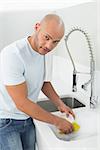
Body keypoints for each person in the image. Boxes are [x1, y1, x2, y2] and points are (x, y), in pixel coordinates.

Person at [0, 14, 75, 150]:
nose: (49, 46)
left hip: (28, 119)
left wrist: (60, 104)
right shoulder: (13, 54)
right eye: (47, 38)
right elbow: (21, 103)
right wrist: (57, 121)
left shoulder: (43, 53)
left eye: (55, 42)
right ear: (37, 27)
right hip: (6, 122)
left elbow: (43, 82)